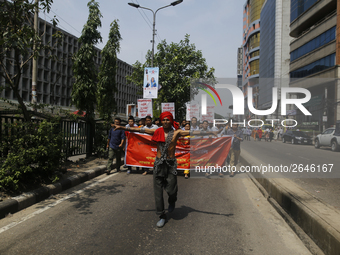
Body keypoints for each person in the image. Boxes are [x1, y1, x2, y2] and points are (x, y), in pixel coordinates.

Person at [113, 112, 219, 228]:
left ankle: (172, 200)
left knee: (171, 189)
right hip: (158, 164)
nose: (165, 122)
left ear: (171, 121)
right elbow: (139, 130)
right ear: (161, 121)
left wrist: (209, 132)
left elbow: (193, 132)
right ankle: (162, 215)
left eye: (168, 120)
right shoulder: (157, 131)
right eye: (163, 120)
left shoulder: (177, 133)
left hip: (171, 164)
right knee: (158, 191)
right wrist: (122, 127)